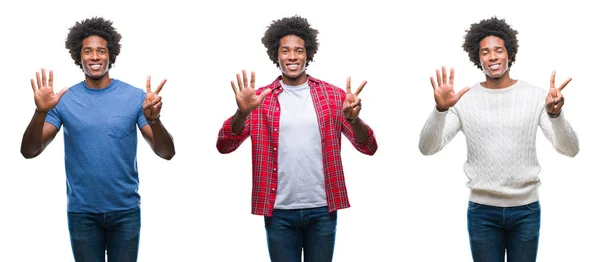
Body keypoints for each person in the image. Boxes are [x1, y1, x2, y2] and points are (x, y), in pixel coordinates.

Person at [216, 15, 378, 262]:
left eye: (298, 50)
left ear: (308, 54)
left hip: (323, 209)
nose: (292, 56)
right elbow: (224, 145)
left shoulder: (333, 96)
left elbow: (369, 147)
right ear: (276, 54)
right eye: (285, 50)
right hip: (278, 211)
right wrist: (242, 112)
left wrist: (354, 119)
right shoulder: (259, 99)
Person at [418, 16, 579, 262]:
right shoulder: (465, 100)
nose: (492, 57)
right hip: (482, 214)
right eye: (485, 52)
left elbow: (570, 150)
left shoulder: (535, 96)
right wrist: (440, 111)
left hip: (526, 211)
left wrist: (555, 115)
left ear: (510, 54)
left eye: (498, 50)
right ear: (477, 58)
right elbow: (427, 148)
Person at [20, 17, 175, 262]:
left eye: (101, 51)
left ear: (110, 56)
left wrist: (154, 120)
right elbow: (30, 150)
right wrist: (40, 113)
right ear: (78, 56)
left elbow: (166, 153)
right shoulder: (64, 100)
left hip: (125, 212)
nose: (94, 57)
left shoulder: (135, 97)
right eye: (88, 51)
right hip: (82, 213)